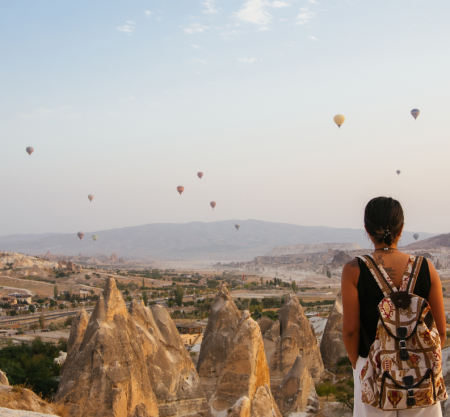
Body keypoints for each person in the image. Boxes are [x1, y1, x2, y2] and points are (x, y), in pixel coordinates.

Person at [341, 197, 446, 417]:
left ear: (367, 230)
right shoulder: (427, 267)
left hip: (373, 368)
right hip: (421, 370)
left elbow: (350, 331)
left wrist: (357, 363)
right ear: (402, 229)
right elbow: (441, 331)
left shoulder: (353, 269)